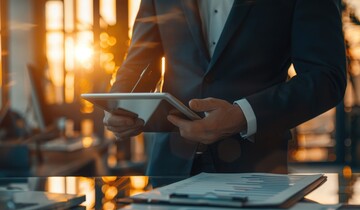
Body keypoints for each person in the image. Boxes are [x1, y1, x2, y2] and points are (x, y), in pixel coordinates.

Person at [104, 0, 346, 178]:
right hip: (170, 169)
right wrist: (118, 103)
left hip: (257, 168)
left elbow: (325, 77)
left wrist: (243, 115)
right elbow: (139, 63)